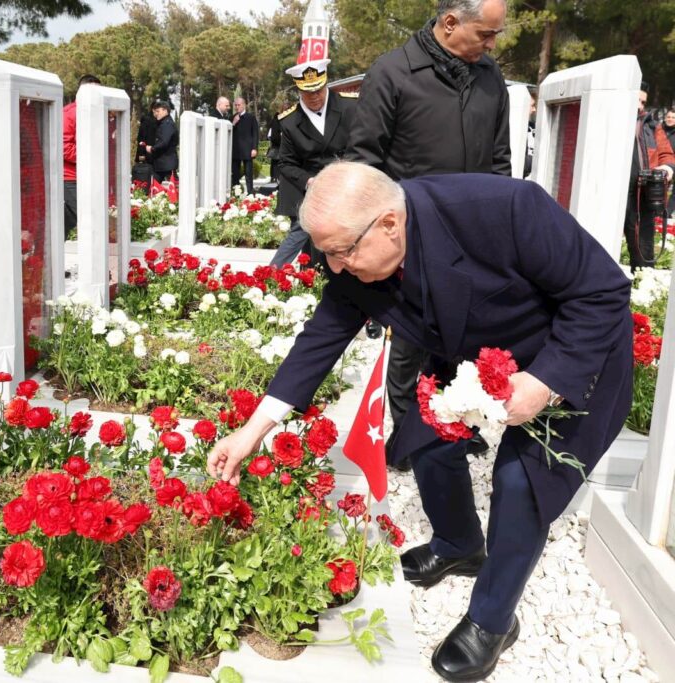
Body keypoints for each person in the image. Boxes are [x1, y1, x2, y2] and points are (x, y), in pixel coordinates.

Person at [208, 161, 633, 683]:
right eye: (327, 254)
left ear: (389, 223)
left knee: (521, 481)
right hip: (473, 352)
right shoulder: (354, 255)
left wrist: (544, 382)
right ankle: (459, 545)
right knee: (424, 441)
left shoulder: (506, 208)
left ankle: (493, 620)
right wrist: (253, 431)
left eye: (343, 252)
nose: (336, 267)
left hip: (571, 353)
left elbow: (601, 293)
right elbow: (322, 336)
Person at [347, 0, 511, 466]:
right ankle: (406, 436)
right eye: (485, 34)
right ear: (450, 23)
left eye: (496, 34)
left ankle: (456, 426)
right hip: (412, 239)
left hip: (472, 236)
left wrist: (500, 225)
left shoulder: (489, 78)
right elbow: (364, 160)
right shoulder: (394, 72)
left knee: (464, 339)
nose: (492, 44)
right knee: (411, 343)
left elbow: (499, 159)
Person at [268, 60, 356, 266]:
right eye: (308, 92)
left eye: (318, 90)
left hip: (346, 181)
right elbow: (286, 163)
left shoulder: (350, 106)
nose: (315, 96)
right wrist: (309, 181)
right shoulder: (289, 121)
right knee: (303, 231)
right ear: (299, 90)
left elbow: (363, 144)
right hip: (308, 184)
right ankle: (275, 274)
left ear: (326, 84)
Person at [624, 83, 675, 269]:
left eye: (643, 102)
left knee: (643, 246)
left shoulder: (652, 126)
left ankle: (642, 278)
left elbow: (666, 153)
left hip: (641, 195)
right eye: (636, 100)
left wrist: (666, 168)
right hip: (611, 194)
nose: (640, 106)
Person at [62, 74, 102, 236]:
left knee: (72, 217)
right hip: (71, 176)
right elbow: (64, 147)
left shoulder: (98, 113)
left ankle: (54, 242)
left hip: (90, 174)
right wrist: (89, 157)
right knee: (85, 216)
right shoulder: (69, 113)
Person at [231, 97, 259, 194]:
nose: (237, 107)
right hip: (235, 150)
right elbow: (228, 132)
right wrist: (233, 123)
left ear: (244, 105)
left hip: (248, 150)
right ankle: (236, 193)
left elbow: (255, 134)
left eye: (238, 105)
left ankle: (250, 193)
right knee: (235, 174)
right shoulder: (232, 117)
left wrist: (254, 148)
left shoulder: (251, 117)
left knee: (248, 174)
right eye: (235, 105)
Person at [146, 101, 178, 183]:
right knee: (152, 187)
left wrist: (152, 148)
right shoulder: (163, 123)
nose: (156, 114)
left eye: (158, 111)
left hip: (167, 165)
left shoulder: (167, 124)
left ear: (165, 110)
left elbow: (164, 142)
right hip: (162, 165)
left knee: (173, 188)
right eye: (155, 112)